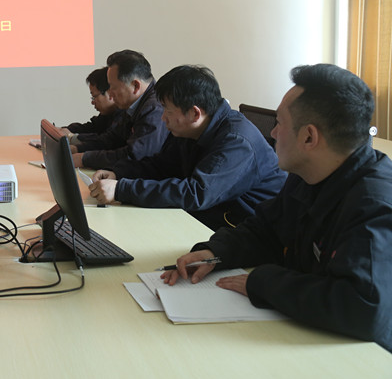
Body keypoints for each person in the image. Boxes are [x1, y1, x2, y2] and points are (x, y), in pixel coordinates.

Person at [162, 64, 392, 350]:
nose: (272, 133)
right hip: (306, 334)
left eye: (279, 123)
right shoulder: (307, 175)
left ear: (309, 137)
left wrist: (262, 283)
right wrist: (215, 253)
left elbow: (363, 306)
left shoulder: (374, 204)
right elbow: (266, 229)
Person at [90, 65, 286, 230]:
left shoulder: (236, 141)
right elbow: (161, 165)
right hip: (210, 217)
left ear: (194, 113)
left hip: (243, 228)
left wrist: (122, 189)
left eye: (167, 110)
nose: (162, 118)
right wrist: (118, 173)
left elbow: (196, 193)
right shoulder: (190, 129)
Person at [70, 50, 168, 170]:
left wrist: (85, 159)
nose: (110, 94)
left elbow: (134, 155)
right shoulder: (134, 104)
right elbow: (112, 139)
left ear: (135, 86)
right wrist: (78, 149)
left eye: (113, 87)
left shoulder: (154, 109)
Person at [60, 67, 118, 136]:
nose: (92, 102)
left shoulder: (123, 116)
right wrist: (65, 130)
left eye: (94, 97)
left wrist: (72, 137)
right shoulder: (107, 114)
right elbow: (91, 128)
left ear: (110, 93)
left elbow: (106, 139)